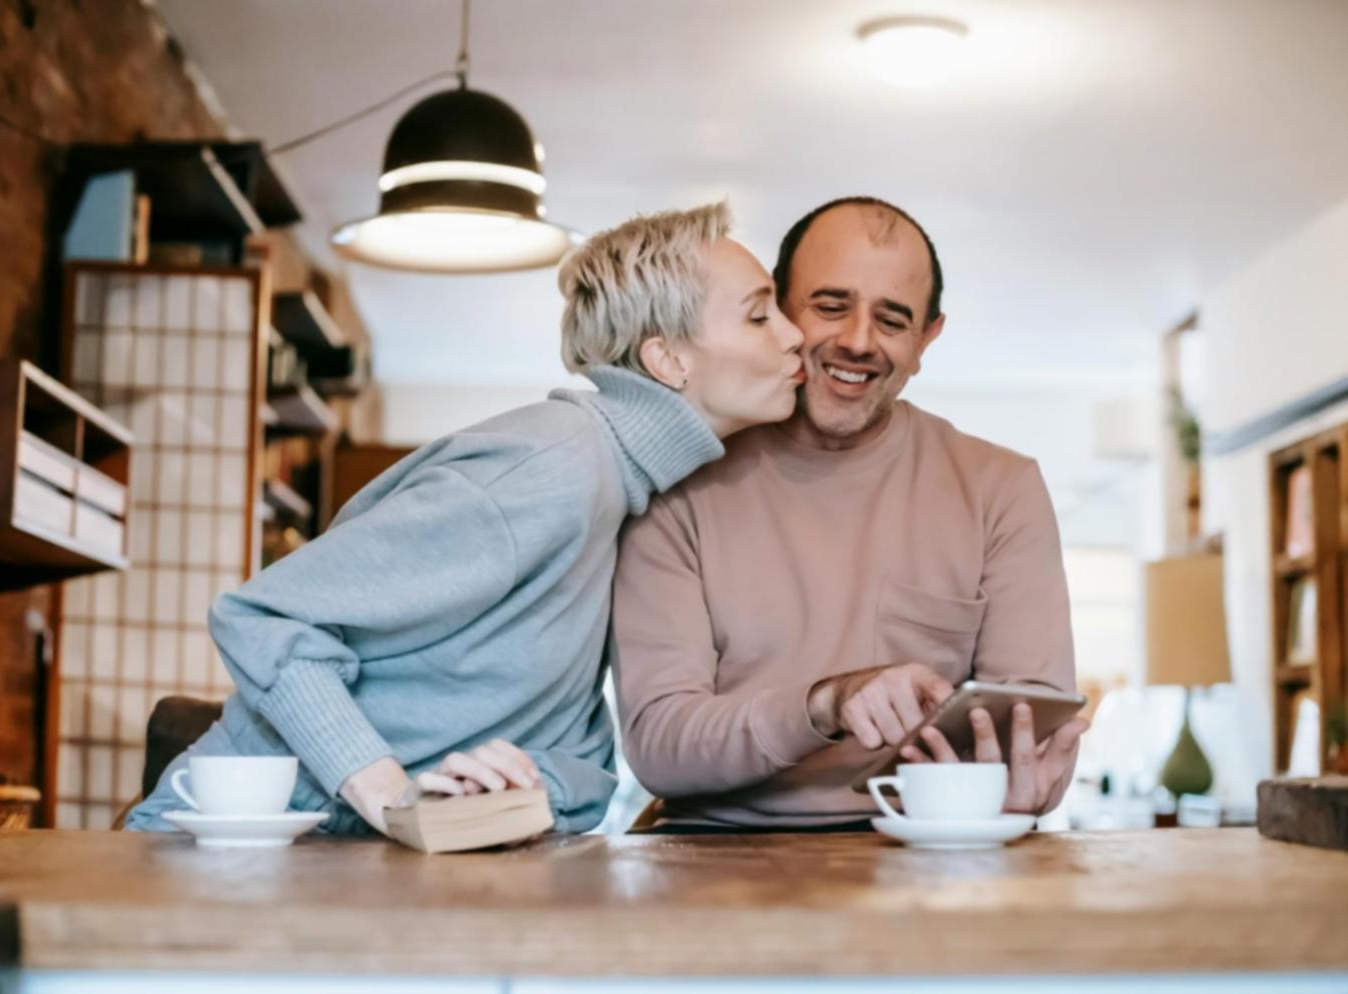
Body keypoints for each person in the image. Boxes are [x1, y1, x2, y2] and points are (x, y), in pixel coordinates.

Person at [128, 202, 805, 838]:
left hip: (357, 869)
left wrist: (513, 792)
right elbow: (264, 617)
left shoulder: (624, 493)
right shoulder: (551, 470)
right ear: (668, 359)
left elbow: (582, 763)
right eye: (758, 316)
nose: (796, 334)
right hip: (226, 846)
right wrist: (391, 795)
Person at [611, 196, 1087, 832]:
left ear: (926, 339)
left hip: (929, 845)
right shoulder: (677, 482)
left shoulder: (1002, 487)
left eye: (892, 320)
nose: (858, 341)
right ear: (775, 310)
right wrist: (826, 703)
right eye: (830, 307)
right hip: (712, 846)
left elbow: (1030, 727)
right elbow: (659, 746)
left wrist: (1026, 782)